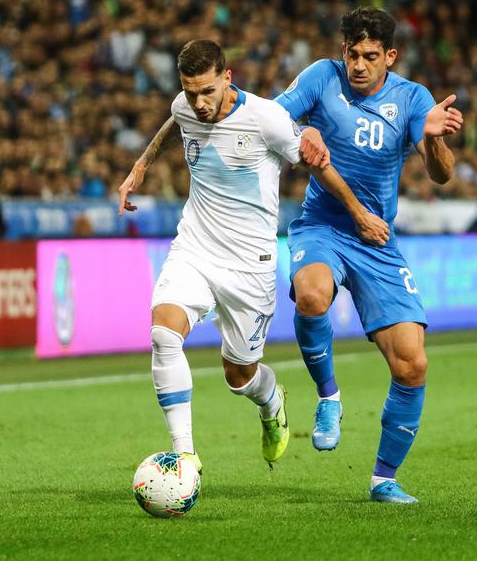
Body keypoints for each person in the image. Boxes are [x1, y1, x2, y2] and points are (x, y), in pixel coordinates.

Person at [117, 39, 385, 472]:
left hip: (249, 266)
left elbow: (316, 162)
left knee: (239, 376)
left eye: (207, 91)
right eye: (190, 92)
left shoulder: (265, 118)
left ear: (228, 78)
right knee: (163, 334)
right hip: (195, 249)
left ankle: (271, 401)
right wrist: (141, 166)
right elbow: (174, 120)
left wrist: (358, 212)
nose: (199, 103)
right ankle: (184, 456)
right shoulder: (185, 106)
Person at [276, 7, 463, 504]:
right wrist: (300, 132)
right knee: (311, 295)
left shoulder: (412, 98)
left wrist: (433, 140)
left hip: (377, 239)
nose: (359, 65)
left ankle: (384, 479)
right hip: (323, 226)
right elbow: (271, 118)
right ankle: (329, 397)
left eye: (371, 56)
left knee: (412, 365)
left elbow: (442, 175)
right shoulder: (321, 77)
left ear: (390, 56)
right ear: (343, 51)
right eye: (353, 54)